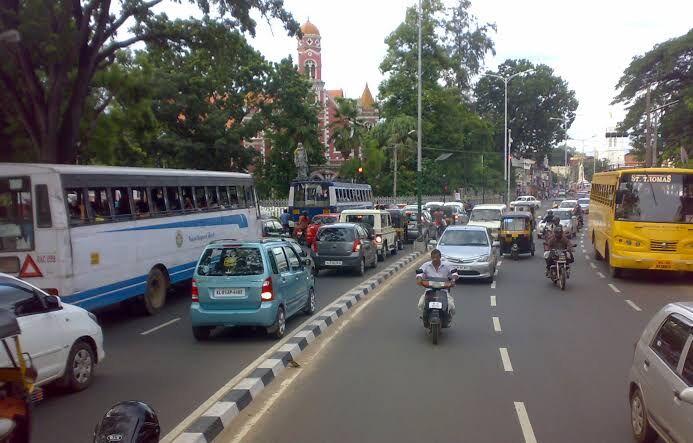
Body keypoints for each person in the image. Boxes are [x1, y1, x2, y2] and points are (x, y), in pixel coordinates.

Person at [416, 249, 458, 319]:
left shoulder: (447, 265)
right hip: (429, 289)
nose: (435, 259)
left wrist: (453, 280)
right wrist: (419, 279)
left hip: (443, 290)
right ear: (431, 257)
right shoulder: (426, 265)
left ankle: (448, 316)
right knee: (421, 304)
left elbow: (454, 273)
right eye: (433, 258)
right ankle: (425, 316)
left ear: (440, 257)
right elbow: (420, 273)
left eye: (436, 257)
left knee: (451, 305)